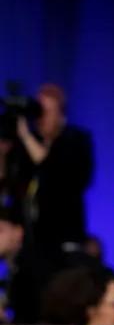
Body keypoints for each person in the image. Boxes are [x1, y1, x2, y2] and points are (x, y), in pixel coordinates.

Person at [17, 84, 94, 260]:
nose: (41, 118)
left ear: (61, 114)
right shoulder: (29, 144)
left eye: (47, 112)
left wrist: (26, 137)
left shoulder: (76, 140)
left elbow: (53, 169)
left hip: (64, 239)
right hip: (33, 240)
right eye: (39, 111)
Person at [0, 204, 55, 324]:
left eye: (0, 230)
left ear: (18, 232)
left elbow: (32, 319)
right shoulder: (11, 269)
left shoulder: (34, 269)